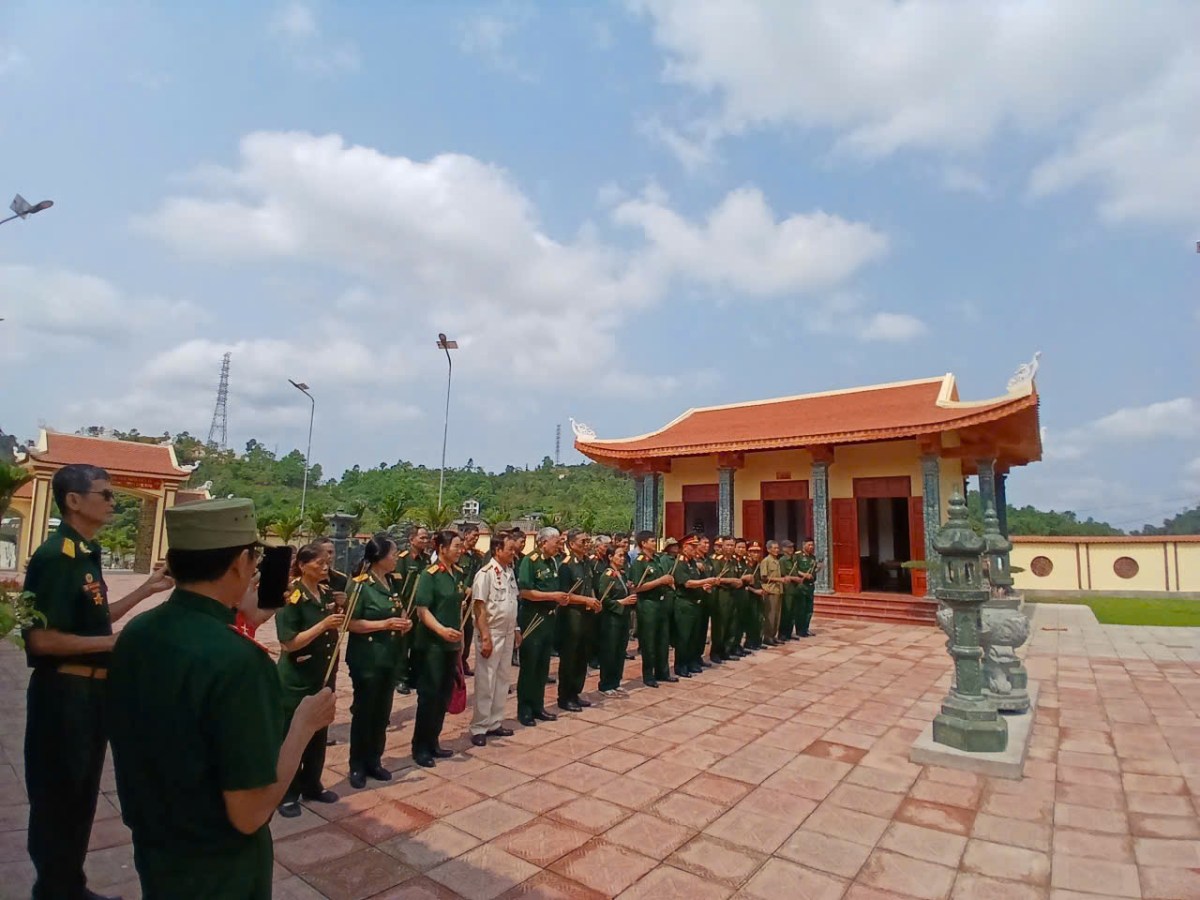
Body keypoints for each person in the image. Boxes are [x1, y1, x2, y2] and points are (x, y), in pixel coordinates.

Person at [107, 498, 335, 899]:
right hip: (220, 866)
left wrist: (242, 617)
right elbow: (249, 813)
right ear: (238, 564)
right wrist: (302, 726)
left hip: (157, 849)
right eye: (253, 559)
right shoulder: (240, 662)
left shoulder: (138, 633)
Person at [22, 464, 173, 900]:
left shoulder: (86, 553)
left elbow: (95, 622)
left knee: (81, 797)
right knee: (59, 799)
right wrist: (117, 646)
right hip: (64, 694)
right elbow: (42, 640)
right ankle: (54, 890)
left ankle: (70, 885)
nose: (112, 502)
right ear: (73, 500)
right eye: (105, 495)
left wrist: (147, 589)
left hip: (90, 694)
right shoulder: (56, 557)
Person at [275, 544, 345, 818]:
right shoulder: (292, 596)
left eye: (326, 563)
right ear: (303, 566)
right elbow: (289, 642)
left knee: (318, 733)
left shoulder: (326, 592)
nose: (325, 567)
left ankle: (312, 784)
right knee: (293, 735)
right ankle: (287, 793)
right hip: (298, 679)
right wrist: (323, 625)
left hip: (323, 674)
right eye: (319, 564)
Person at [346, 534, 412, 788]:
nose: (396, 558)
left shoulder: (391, 582)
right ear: (380, 557)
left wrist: (404, 621)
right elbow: (349, 623)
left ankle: (374, 759)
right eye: (393, 554)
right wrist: (383, 624)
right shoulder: (360, 585)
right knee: (364, 712)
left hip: (390, 657)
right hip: (367, 659)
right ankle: (357, 765)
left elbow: (398, 609)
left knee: (382, 712)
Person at [411, 531, 465, 767]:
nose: (459, 550)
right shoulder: (429, 575)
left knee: (444, 695)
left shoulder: (458, 574)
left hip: (451, 645)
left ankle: (434, 741)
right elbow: (422, 611)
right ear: (441, 548)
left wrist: (459, 641)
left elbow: (458, 609)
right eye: (455, 546)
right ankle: (420, 747)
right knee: (429, 696)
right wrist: (441, 630)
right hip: (432, 645)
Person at [515, 527, 571, 726]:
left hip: (549, 619)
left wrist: (560, 598)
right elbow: (525, 591)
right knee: (530, 665)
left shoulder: (553, 561)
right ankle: (525, 710)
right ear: (543, 542)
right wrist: (552, 596)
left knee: (542, 666)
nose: (559, 546)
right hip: (532, 618)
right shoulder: (529, 561)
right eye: (556, 542)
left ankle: (538, 706)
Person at [468, 533, 520, 747]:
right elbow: (479, 606)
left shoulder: (509, 572)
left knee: (502, 678)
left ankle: (495, 722)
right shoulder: (485, 574)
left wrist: (516, 628)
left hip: (507, 632)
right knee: (486, 680)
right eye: (509, 549)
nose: (513, 552)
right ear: (497, 550)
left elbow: (512, 601)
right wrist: (485, 637)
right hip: (492, 632)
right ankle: (479, 726)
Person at [556, 529, 602, 712]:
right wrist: (586, 600)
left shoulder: (587, 563)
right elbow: (565, 595)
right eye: (582, 542)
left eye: (587, 541)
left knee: (582, 655)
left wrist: (594, 601)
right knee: (570, 656)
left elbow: (589, 587)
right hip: (571, 615)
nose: (586, 544)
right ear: (571, 544)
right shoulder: (566, 566)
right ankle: (565, 696)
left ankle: (576, 692)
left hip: (587, 614)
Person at [627, 531, 677, 688]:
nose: (655, 543)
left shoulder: (657, 560)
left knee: (663, 639)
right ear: (643, 544)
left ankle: (663, 672)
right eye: (652, 541)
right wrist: (660, 581)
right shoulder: (639, 562)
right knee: (649, 641)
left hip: (661, 603)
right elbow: (637, 588)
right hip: (648, 604)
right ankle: (648, 675)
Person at [392, 525, 430, 695]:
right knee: (402, 645)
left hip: (421, 609)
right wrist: (400, 609)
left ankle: (414, 676)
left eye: (426, 538)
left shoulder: (427, 560)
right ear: (411, 539)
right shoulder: (402, 560)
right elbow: (396, 587)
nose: (425, 541)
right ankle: (400, 678)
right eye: (422, 538)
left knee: (418, 644)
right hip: (405, 608)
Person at [596, 548, 637, 696]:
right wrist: (622, 602)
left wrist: (631, 590)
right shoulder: (607, 575)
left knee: (620, 650)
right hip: (611, 617)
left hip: (623, 616)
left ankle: (616, 681)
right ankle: (605, 684)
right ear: (610, 557)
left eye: (624, 556)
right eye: (619, 556)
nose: (623, 559)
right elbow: (604, 599)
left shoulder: (623, 574)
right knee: (610, 651)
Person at [673, 535, 715, 678]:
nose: (695, 549)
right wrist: (705, 581)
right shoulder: (681, 562)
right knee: (684, 637)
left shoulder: (692, 563)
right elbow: (687, 583)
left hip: (696, 602)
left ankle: (691, 661)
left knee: (694, 636)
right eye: (692, 546)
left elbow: (696, 582)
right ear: (685, 547)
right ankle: (681, 665)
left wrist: (705, 586)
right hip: (684, 603)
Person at [457, 524, 484, 676]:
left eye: (477, 537)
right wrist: (464, 589)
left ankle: (464, 661)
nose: (475, 539)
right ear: (466, 535)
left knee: (468, 631)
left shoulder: (477, 557)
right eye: (473, 536)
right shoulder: (458, 555)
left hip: (472, 599)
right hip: (460, 598)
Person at [759, 540, 786, 645]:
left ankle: (773, 635)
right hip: (770, 591)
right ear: (768, 549)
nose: (776, 550)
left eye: (777, 548)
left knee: (777, 616)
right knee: (770, 615)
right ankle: (767, 636)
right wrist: (779, 580)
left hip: (778, 590)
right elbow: (763, 577)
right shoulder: (766, 561)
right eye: (774, 548)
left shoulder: (777, 561)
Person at [796, 539, 819, 637]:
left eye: (812, 545)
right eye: (809, 545)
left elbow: (813, 571)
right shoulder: (798, 556)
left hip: (810, 586)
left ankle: (806, 628)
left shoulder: (812, 557)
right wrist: (804, 574)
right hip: (802, 586)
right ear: (803, 545)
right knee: (801, 608)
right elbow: (795, 569)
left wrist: (818, 569)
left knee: (809, 609)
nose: (811, 547)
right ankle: (800, 630)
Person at [778, 540, 800, 641]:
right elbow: (783, 575)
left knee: (793, 612)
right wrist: (793, 578)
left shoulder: (793, 560)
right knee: (786, 612)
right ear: (783, 549)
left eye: (792, 547)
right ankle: (783, 634)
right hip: (787, 590)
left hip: (795, 589)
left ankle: (789, 632)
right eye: (788, 547)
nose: (791, 549)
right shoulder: (782, 560)